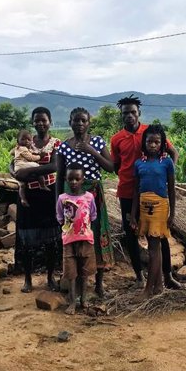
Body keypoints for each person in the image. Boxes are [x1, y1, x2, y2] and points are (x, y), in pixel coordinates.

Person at [110, 95, 182, 289]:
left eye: (133, 112)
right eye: (126, 113)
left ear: (139, 113)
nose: (130, 116)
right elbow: (116, 165)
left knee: (159, 235)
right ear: (121, 115)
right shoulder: (116, 139)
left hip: (154, 194)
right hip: (128, 193)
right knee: (131, 234)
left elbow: (173, 152)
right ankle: (140, 277)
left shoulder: (150, 132)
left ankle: (167, 276)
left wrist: (165, 173)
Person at [56, 107, 114, 298]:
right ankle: (78, 286)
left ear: (88, 123)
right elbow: (60, 177)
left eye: (83, 120)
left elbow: (111, 167)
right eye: (76, 120)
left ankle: (98, 283)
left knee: (96, 235)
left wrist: (92, 152)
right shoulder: (64, 147)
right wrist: (58, 203)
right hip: (71, 199)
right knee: (75, 239)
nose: (79, 124)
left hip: (93, 197)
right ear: (70, 122)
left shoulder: (97, 142)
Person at [10, 107, 62, 293]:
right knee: (26, 238)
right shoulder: (24, 142)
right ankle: (27, 279)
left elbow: (55, 165)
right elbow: (12, 165)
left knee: (51, 238)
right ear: (33, 122)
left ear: (50, 121)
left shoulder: (56, 143)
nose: (40, 123)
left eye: (44, 120)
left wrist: (28, 172)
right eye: (37, 120)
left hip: (49, 194)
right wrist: (16, 173)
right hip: (28, 195)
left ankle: (50, 277)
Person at [130, 124, 176, 299]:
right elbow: (135, 190)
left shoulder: (166, 162)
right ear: (144, 143)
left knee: (154, 248)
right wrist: (133, 215)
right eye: (150, 141)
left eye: (157, 142)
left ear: (162, 143)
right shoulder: (138, 164)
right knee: (152, 246)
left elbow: (171, 190)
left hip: (160, 207)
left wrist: (172, 214)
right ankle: (158, 286)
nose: (153, 145)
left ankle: (149, 289)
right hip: (143, 206)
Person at [56, 163, 97, 315]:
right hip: (68, 241)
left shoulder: (89, 197)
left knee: (84, 272)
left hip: (86, 240)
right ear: (66, 179)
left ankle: (84, 299)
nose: (73, 182)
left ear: (82, 179)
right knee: (71, 273)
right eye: (70, 179)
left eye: (77, 179)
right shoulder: (62, 198)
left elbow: (93, 215)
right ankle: (72, 301)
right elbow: (60, 217)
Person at [12, 129, 44, 208]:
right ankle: (42, 185)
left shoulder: (18, 148)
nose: (26, 141)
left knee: (22, 185)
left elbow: (12, 153)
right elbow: (30, 158)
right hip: (22, 165)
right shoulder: (22, 148)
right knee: (38, 167)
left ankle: (23, 199)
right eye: (23, 139)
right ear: (18, 141)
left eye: (28, 139)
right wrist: (40, 156)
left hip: (17, 168)